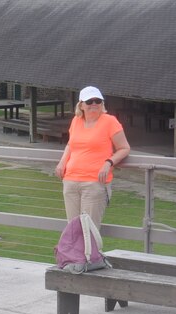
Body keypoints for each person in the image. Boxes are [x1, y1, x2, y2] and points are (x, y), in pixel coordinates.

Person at [55, 86, 130, 228]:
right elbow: (71, 145)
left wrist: (109, 162)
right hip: (70, 181)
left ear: (102, 104)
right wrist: (62, 162)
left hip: (94, 183)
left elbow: (124, 148)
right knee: (73, 230)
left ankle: (91, 252)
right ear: (81, 105)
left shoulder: (110, 121)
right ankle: (75, 252)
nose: (94, 104)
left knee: (89, 231)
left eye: (98, 101)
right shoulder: (76, 121)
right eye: (89, 101)